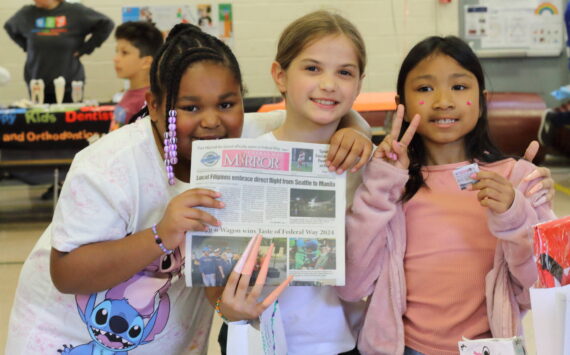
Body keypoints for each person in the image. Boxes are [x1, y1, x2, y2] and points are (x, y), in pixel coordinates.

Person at [5, 23, 371, 354]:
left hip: (167, 338)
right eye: (189, 107)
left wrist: (354, 129)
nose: (211, 120)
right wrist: (161, 235)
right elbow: (66, 273)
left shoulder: (246, 136)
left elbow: (316, 117)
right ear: (155, 105)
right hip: (68, 339)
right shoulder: (109, 164)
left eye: (227, 103)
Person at [337, 36, 557, 355]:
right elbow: (352, 286)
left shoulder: (516, 179)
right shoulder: (388, 181)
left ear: (480, 100)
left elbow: (540, 291)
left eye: (458, 87)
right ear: (402, 102)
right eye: (425, 89)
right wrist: (381, 185)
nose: (443, 101)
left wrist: (514, 214)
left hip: (490, 346)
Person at [211, 10, 368, 355]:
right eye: (312, 68)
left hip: (343, 344)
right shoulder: (239, 161)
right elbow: (212, 278)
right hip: (252, 341)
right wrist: (227, 310)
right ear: (280, 75)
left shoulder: (366, 168)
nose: (328, 83)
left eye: (344, 72)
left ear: (358, 84)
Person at [4, 0, 113, 103]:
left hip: (69, 82)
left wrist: (85, 49)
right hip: (37, 81)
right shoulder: (27, 13)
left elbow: (106, 24)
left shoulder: (75, 11)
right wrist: (26, 46)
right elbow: (9, 27)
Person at [109, 21, 163, 131]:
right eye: (117, 51)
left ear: (146, 62)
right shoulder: (129, 92)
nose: (116, 58)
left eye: (124, 52)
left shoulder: (147, 102)